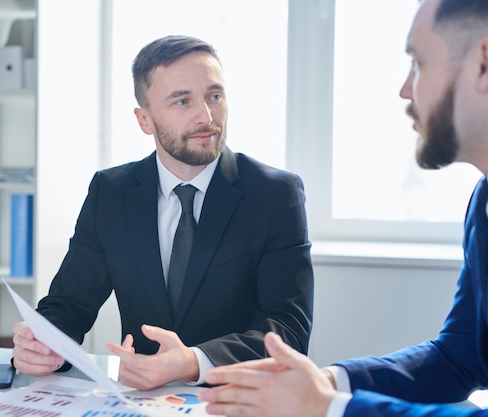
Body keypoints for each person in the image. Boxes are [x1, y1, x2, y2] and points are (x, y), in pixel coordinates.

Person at [198, 0, 488, 416]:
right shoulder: (483, 202)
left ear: (482, 63)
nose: (405, 89)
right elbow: (462, 355)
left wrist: (330, 408)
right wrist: (329, 381)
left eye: (418, 63)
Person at [12, 35, 314, 390]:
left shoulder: (275, 194)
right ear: (145, 120)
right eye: (182, 101)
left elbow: (288, 331)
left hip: (238, 398)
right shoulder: (110, 192)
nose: (206, 116)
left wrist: (191, 362)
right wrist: (44, 343)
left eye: (214, 96)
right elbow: (69, 304)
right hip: (140, 400)